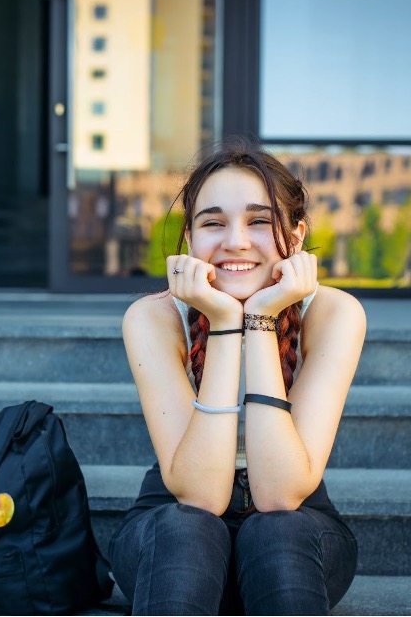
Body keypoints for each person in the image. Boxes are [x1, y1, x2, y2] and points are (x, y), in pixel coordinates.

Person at [109, 140, 366, 615]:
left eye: (260, 220)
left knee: (279, 529)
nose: (236, 242)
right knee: (187, 529)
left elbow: (279, 494)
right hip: (175, 523)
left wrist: (263, 317)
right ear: (189, 238)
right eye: (212, 222)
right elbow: (201, 496)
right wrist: (227, 322)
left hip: (297, 527)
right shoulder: (154, 318)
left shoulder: (333, 313)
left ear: (297, 233)